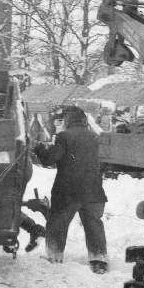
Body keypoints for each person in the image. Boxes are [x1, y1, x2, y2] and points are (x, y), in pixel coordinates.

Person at [33, 106, 109, 273]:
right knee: (94, 224)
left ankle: (54, 256)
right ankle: (99, 260)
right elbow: (104, 162)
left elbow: (50, 159)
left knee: (58, 222)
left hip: (68, 191)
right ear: (83, 120)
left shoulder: (64, 137)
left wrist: (39, 148)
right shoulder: (96, 137)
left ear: (68, 120)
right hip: (93, 190)